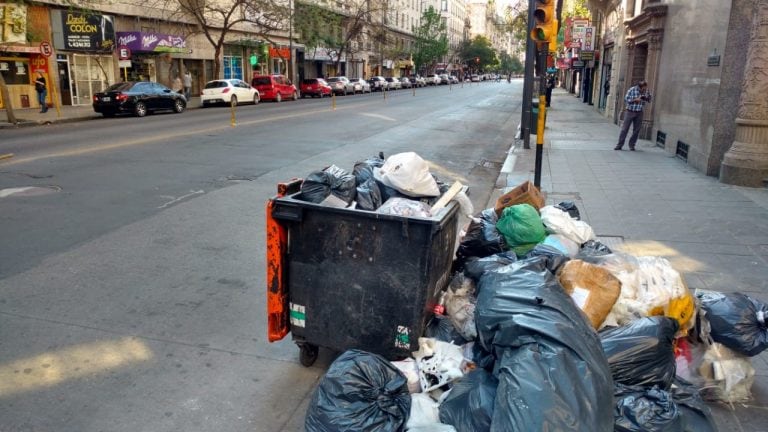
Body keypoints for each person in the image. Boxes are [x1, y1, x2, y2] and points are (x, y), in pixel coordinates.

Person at [615, 80, 652, 151]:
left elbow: (650, 99)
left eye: (645, 88)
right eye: (643, 88)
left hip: (639, 112)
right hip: (630, 111)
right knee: (624, 129)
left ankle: (632, 145)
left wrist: (647, 98)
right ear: (640, 87)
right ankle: (619, 145)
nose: (644, 89)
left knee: (636, 130)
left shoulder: (646, 91)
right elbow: (626, 99)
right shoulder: (632, 90)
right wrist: (635, 100)